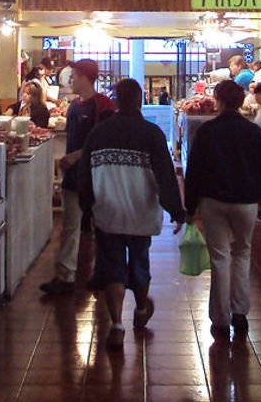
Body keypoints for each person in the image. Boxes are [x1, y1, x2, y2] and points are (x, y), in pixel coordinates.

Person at [78, 79, 184, 349]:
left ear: (116, 100)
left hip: (107, 211)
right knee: (139, 262)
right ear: (139, 100)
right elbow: (165, 176)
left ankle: (116, 323)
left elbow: (84, 174)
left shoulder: (99, 132)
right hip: (141, 211)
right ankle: (139, 310)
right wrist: (176, 210)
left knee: (112, 267)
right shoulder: (152, 134)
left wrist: (86, 207)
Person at [184, 80, 261, 341]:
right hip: (246, 203)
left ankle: (221, 320)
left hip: (213, 201)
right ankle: (240, 314)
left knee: (220, 257)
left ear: (218, 100)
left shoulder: (206, 131)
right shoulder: (254, 133)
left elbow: (194, 172)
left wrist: (189, 206)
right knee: (242, 254)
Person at [40, 59, 116, 295]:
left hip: (96, 178)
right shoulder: (74, 106)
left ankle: (104, 273)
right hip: (74, 177)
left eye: (73, 75)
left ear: (84, 77)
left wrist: (77, 156)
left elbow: (106, 141)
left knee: (101, 227)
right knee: (71, 226)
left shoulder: (102, 106)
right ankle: (65, 275)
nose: (70, 79)